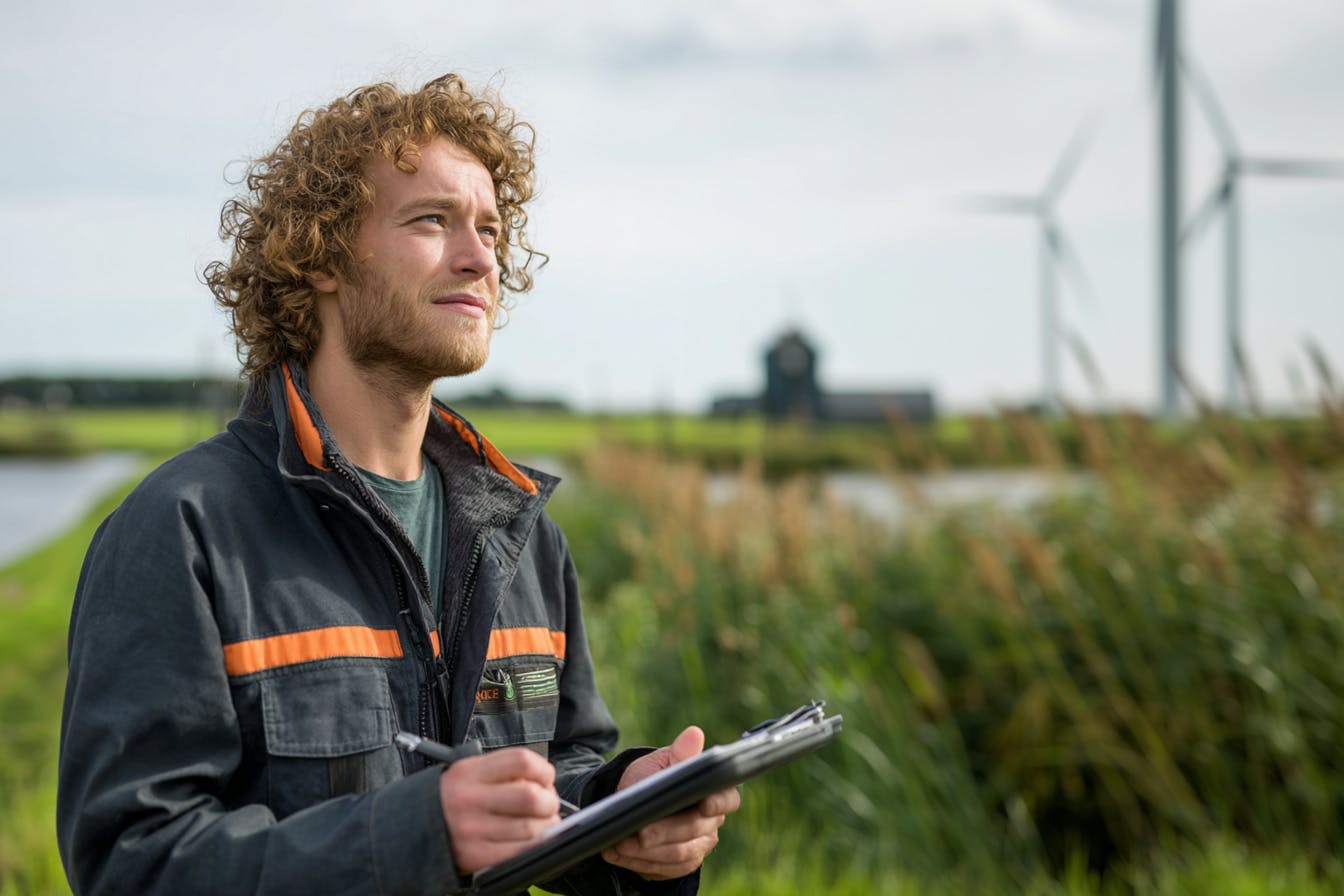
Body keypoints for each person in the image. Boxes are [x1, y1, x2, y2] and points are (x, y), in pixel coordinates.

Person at [56, 73, 739, 896]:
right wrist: (420, 834)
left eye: (490, 229)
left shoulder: (521, 535)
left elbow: (557, 773)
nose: (480, 256)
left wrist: (620, 815)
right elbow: (133, 864)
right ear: (321, 260)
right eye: (432, 221)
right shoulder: (182, 530)